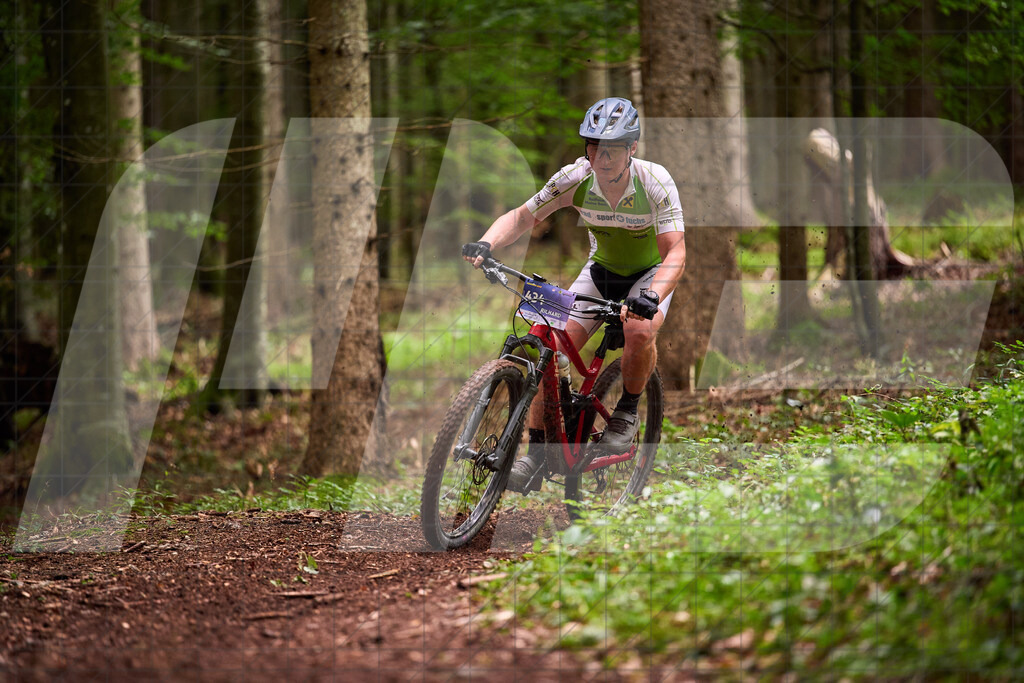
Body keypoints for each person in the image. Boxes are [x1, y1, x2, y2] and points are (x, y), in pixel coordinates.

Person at [462, 97, 686, 493]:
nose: (602, 157)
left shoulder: (654, 181)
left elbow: (676, 251)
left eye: (613, 149)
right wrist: (486, 242)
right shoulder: (574, 178)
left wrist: (651, 295)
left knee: (638, 332)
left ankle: (627, 413)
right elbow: (522, 216)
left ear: (631, 148)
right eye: (594, 147)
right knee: (548, 346)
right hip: (600, 272)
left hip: (648, 275)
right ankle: (536, 452)